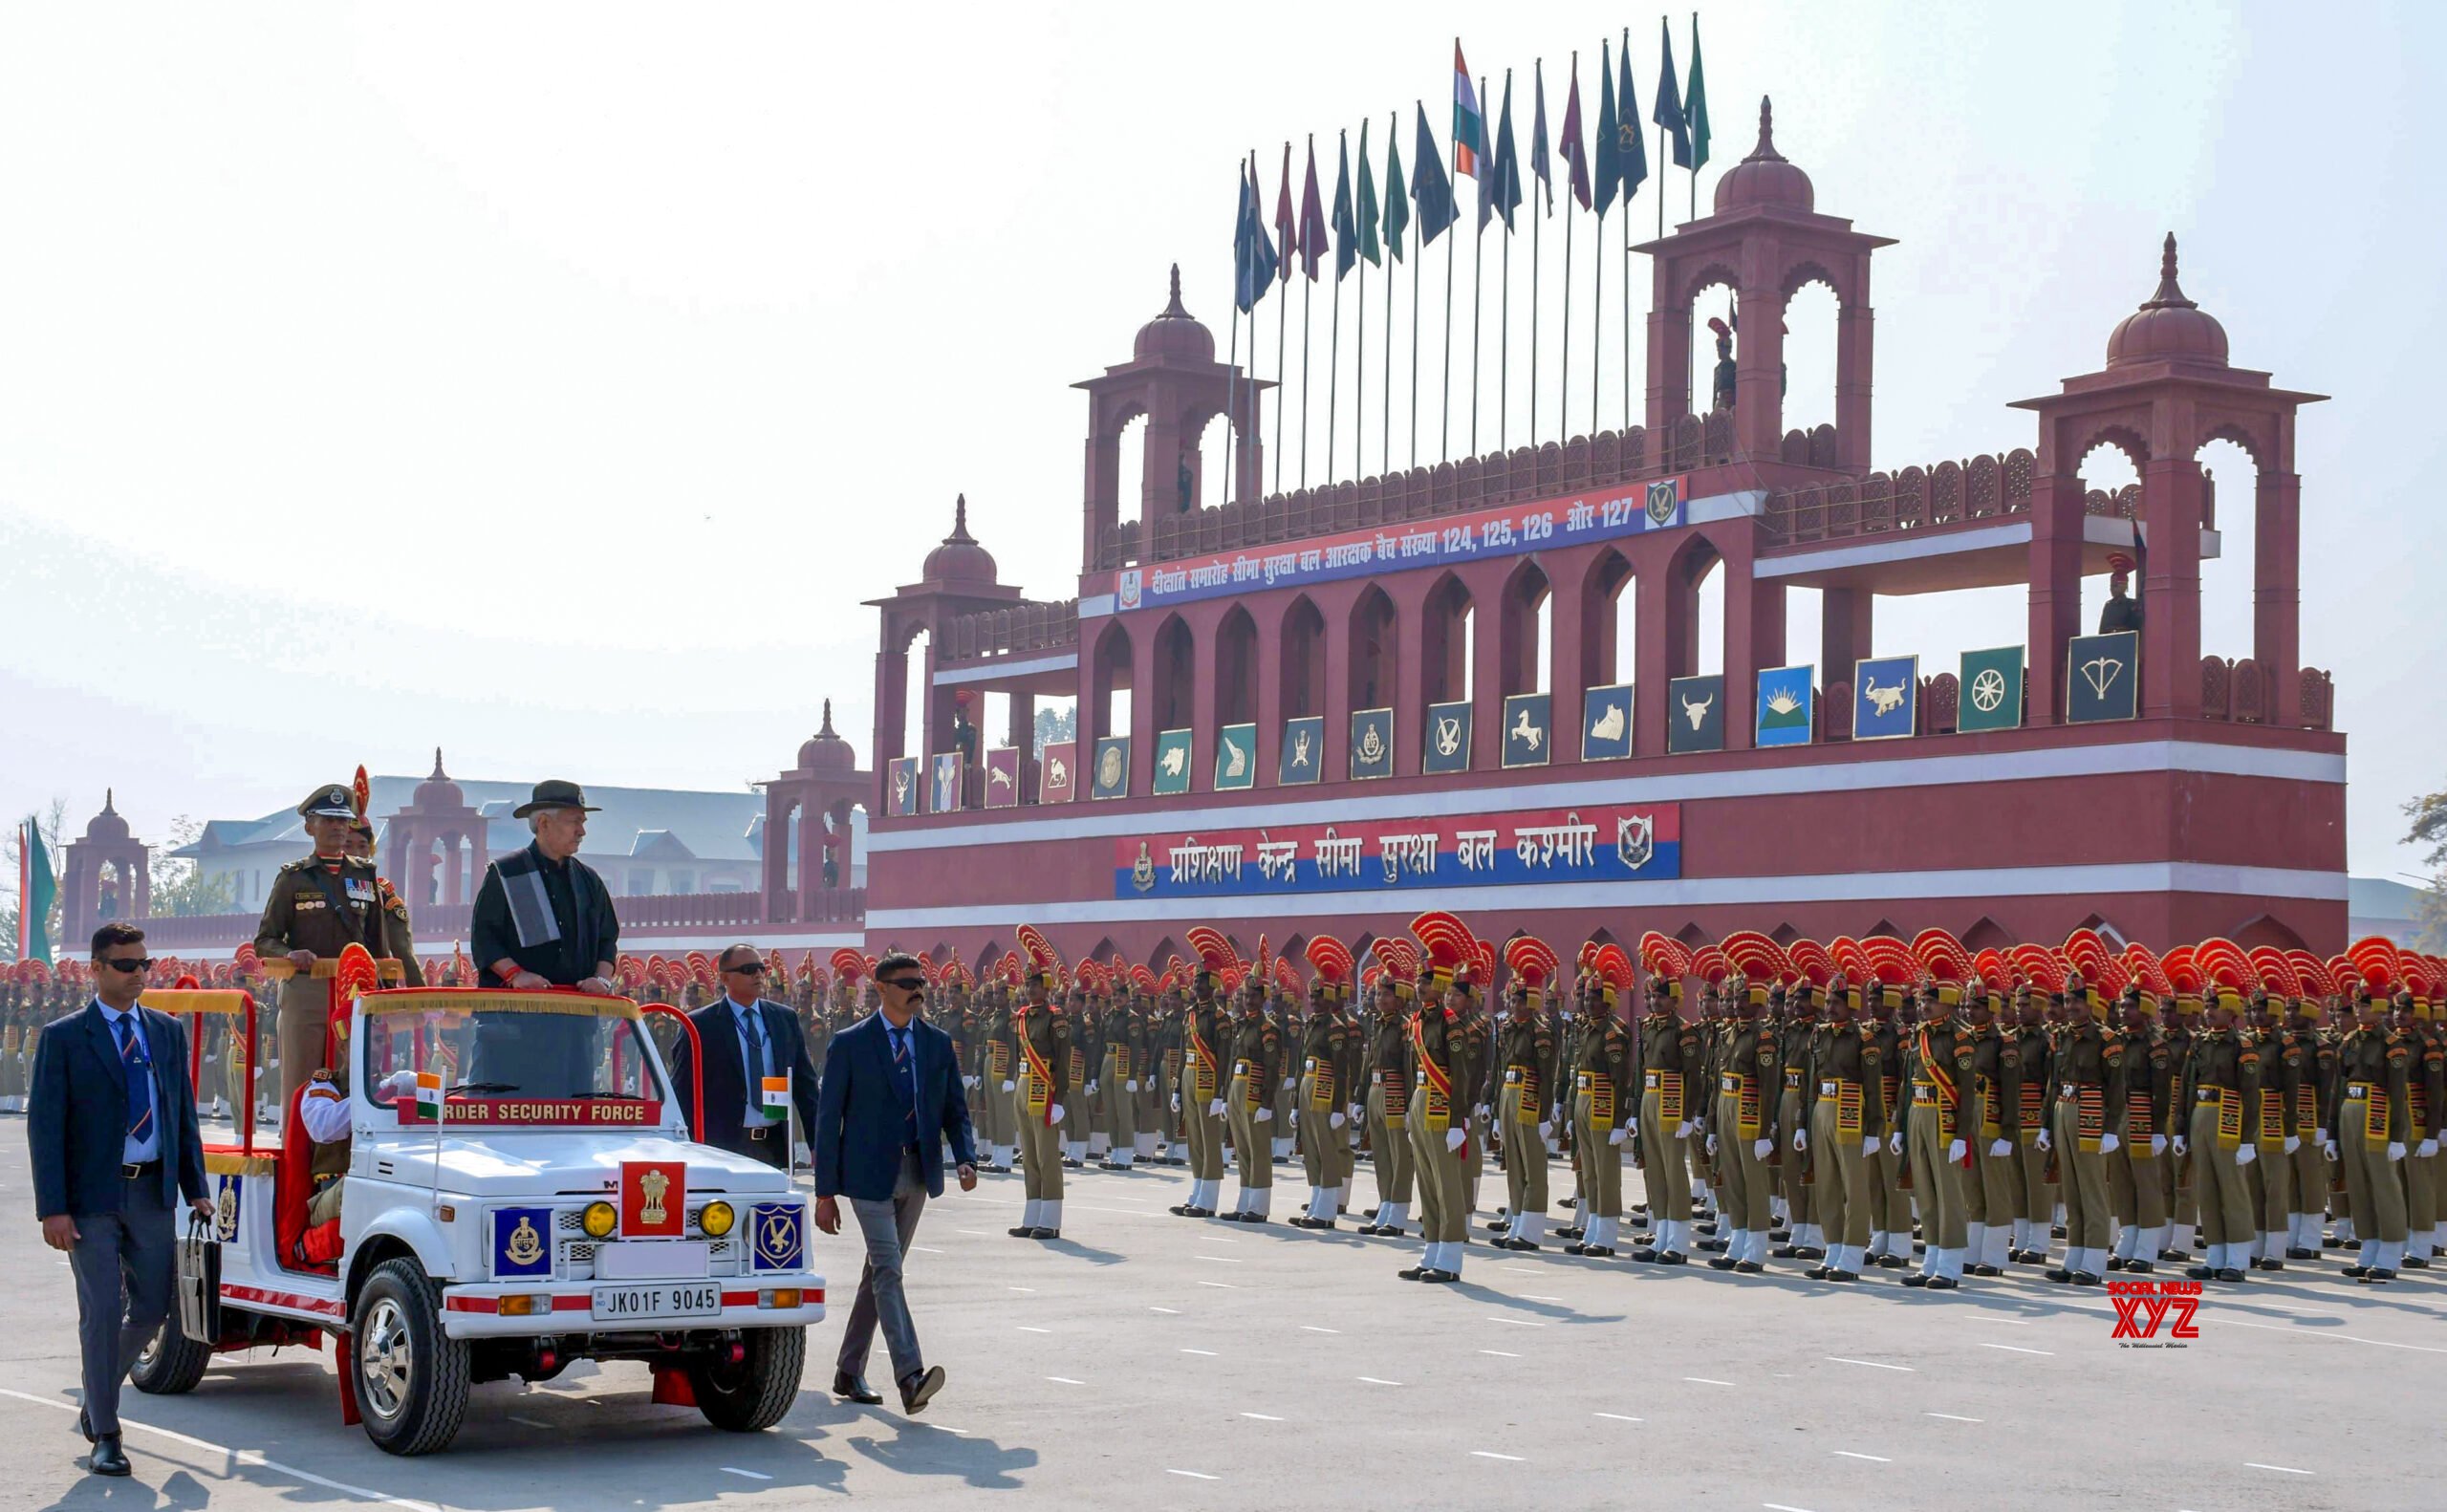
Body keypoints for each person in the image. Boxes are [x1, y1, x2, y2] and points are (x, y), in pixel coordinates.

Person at [28, 923, 215, 1479]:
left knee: (154, 1306)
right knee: (103, 1310)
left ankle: (97, 1391)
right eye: (125, 965)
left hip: (151, 1190)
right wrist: (52, 1208)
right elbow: (45, 1127)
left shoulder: (165, 1031)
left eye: (144, 964)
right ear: (96, 969)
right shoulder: (64, 1038)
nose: (138, 974)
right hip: (90, 1197)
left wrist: (196, 1188)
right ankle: (107, 1435)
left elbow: (180, 1114)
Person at [812, 950, 976, 1416]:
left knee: (880, 1274)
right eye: (905, 982)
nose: (916, 989)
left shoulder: (936, 1043)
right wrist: (825, 1193)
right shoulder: (850, 1043)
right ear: (881, 988)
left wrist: (964, 1158)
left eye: (919, 981)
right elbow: (828, 1121)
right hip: (867, 1176)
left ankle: (848, 1368)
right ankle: (910, 1376)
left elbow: (953, 1109)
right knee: (889, 1270)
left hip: (917, 1172)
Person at [253, 783, 422, 1112]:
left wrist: (387, 996)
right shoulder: (293, 879)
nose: (337, 827)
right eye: (328, 820)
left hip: (355, 996)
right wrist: (288, 955)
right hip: (307, 992)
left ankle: (345, 1158)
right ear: (309, 826)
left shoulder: (365, 875)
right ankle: (299, 1158)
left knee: (354, 1083)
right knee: (302, 1084)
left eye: (342, 821)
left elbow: (379, 946)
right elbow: (264, 940)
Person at [467, 781, 620, 1092]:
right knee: (508, 1116)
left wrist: (602, 980)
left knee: (572, 1117)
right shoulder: (508, 873)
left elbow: (607, 940)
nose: (582, 831)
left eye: (583, 822)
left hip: (574, 1030)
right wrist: (516, 974)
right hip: (515, 1029)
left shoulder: (588, 880)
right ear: (544, 823)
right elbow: (485, 938)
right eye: (574, 821)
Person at [668, 946, 827, 1169]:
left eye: (761, 968)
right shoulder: (700, 1024)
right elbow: (682, 1092)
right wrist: (684, 1146)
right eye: (748, 969)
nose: (758, 975)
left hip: (774, 1146)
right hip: (720, 1149)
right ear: (725, 978)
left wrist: (818, 1143)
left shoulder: (784, 1019)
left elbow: (806, 1087)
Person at [2098, 551, 2143, 634]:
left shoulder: (2132, 604)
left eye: (2115, 586)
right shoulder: (2108, 605)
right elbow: (2102, 630)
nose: (2112, 589)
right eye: (2111, 586)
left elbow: (2135, 628)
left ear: (2124, 586)